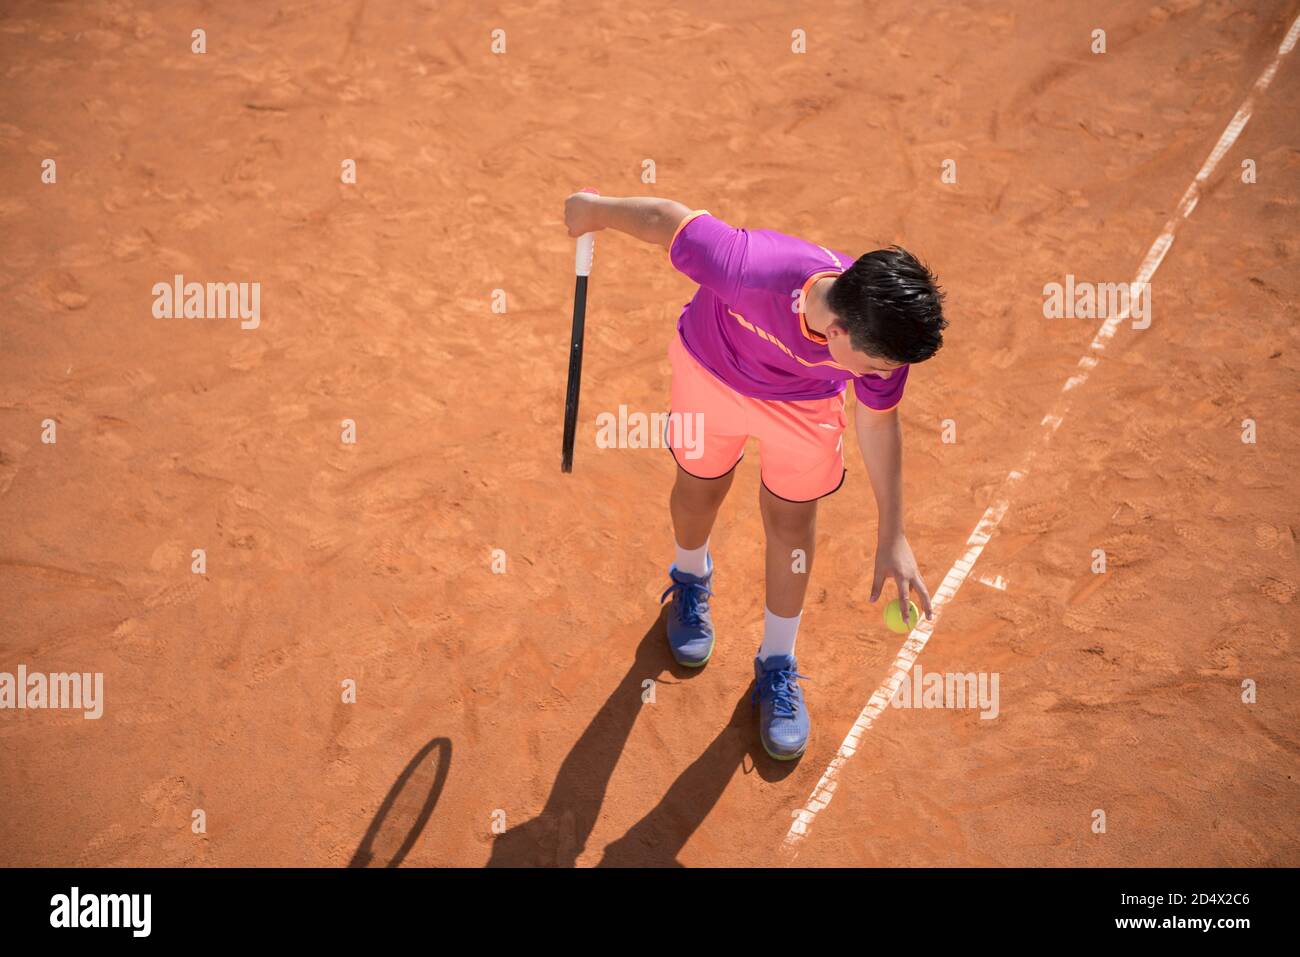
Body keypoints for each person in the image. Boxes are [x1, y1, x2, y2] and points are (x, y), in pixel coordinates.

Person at [563, 193, 947, 760]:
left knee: (792, 525)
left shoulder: (879, 344)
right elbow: (664, 221)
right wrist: (592, 210)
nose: (881, 377)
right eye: (873, 367)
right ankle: (690, 580)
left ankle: (777, 663)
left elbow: (879, 422)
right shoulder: (750, 267)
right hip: (711, 370)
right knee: (700, 489)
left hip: (804, 404)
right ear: (838, 330)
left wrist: (894, 533)